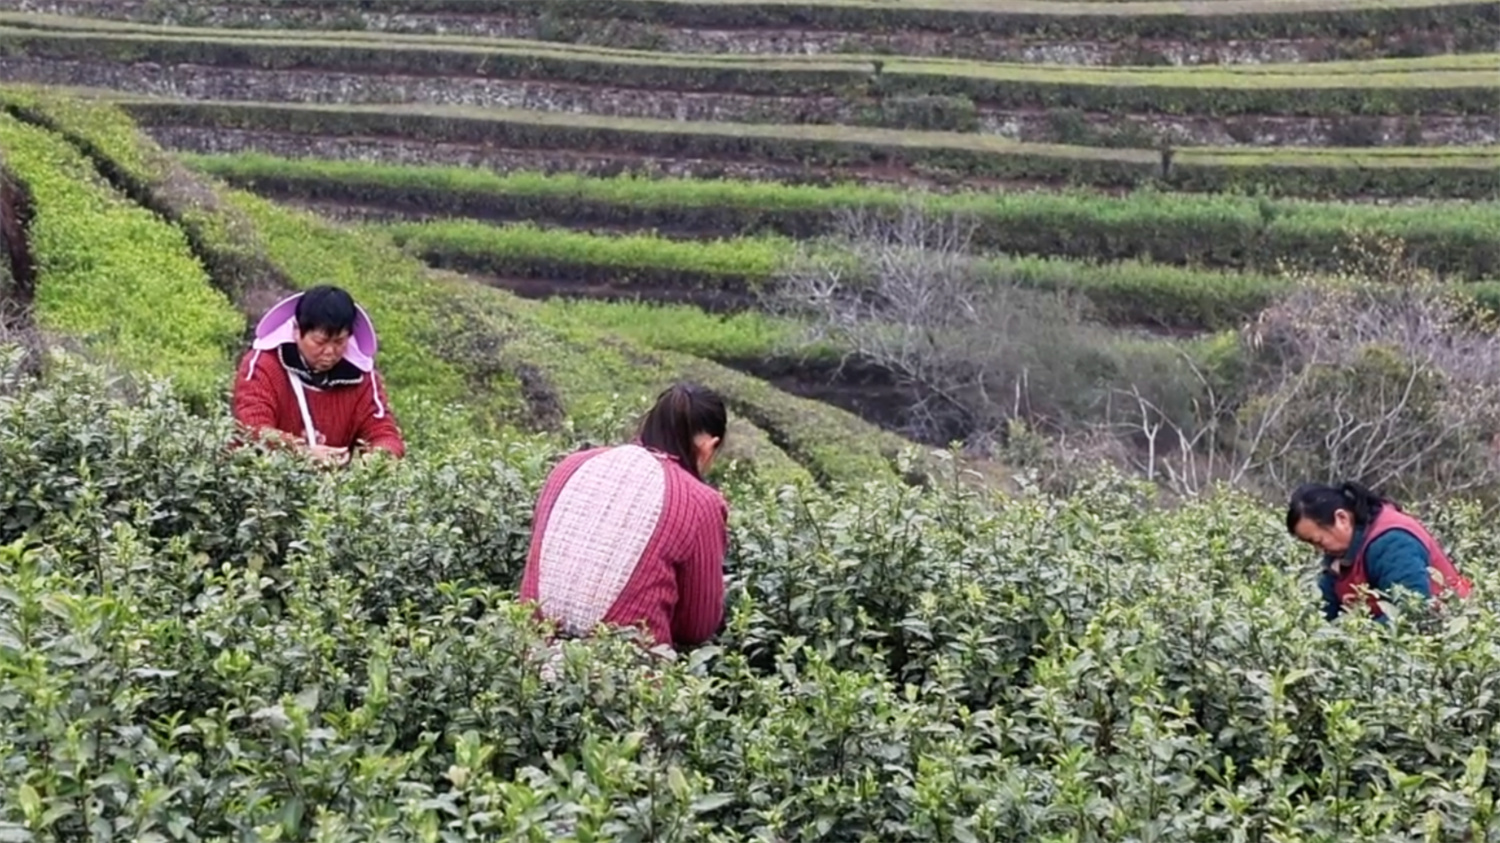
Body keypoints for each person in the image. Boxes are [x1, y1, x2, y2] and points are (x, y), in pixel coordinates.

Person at [519, 382, 730, 658]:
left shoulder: (570, 466)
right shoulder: (699, 501)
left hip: (526, 658)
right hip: (619, 677)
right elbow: (696, 627)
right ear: (709, 446)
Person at [232, 285, 405, 464]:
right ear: (297, 331)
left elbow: (383, 432)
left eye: (339, 341)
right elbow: (252, 427)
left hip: (327, 488)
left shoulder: (362, 377)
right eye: (319, 341)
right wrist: (300, 452)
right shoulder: (263, 365)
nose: (330, 351)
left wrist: (379, 457)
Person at [1286, 481, 1471, 623]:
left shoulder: (1392, 542)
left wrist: (1353, 644)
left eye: (1318, 541)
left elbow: (1413, 612)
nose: (1319, 550)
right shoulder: (1342, 551)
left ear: (1341, 518)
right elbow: (1326, 608)